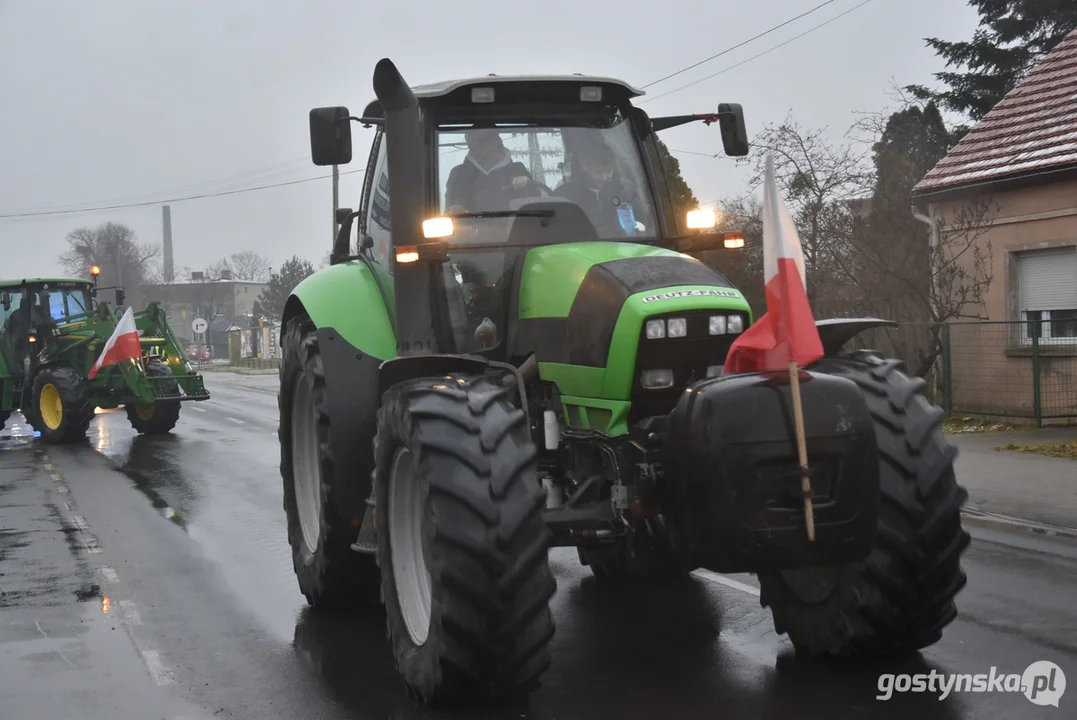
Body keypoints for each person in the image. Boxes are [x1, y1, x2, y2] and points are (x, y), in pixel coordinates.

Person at [555, 137, 638, 237]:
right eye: (598, 172)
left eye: (609, 171)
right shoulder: (564, 196)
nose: (605, 177)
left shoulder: (623, 191)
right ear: (584, 168)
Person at [444, 128, 535, 213]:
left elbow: (534, 203)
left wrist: (525, 186)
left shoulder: (517, 169)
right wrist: (457, 210)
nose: (484, 146)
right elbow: (452, 207)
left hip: (512, 228)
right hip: (469, 228)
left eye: (487, 139)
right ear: (470, 144)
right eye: (478, 141)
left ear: (497, 142)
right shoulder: (459, 173)